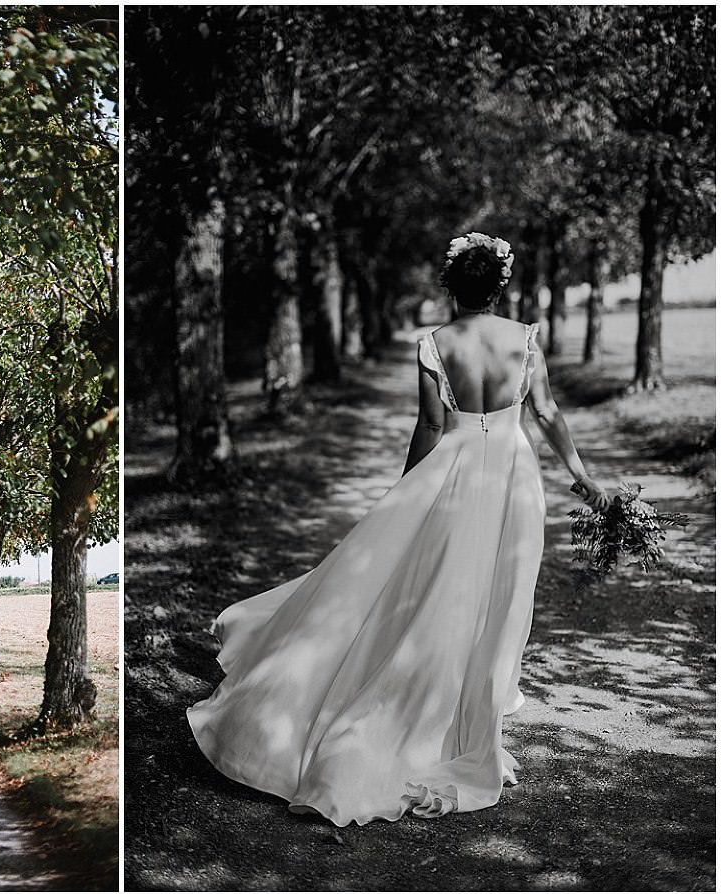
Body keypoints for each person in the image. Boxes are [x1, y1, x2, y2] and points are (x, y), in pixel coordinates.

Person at [187, 232, 610, 827]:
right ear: (500, 286)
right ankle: (469, 713)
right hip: (514, 477)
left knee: (440, 589)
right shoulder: (526, 339)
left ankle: (423, 705)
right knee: (501, 595)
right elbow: (545, 413)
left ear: (451, 287)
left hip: (456, 471)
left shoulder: (434, 345)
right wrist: (582, 476)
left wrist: (408, 492)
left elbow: (431, 426)